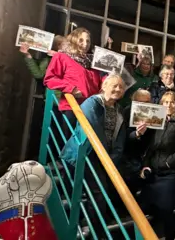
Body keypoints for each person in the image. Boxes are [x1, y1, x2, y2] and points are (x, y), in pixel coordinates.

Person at [61, 74, 126, 239]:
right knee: (97, 193)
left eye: (121, 87)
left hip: (104, 158)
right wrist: (105, 158)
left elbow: (120, 138)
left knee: (100, 193)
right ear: (104, 86)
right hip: (88, 154)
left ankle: (92, 227)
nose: (118, 89)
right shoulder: (92, 102)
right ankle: (92, 231)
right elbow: (93, 129)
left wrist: (112, 159)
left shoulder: (119, 110)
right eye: (114, 85)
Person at [139, 91, 175, 240]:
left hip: (171, 174)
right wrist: (145, 165)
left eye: (172, 102)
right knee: (148, 208)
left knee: (166, 211)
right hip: (154, 173)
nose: (168, 105)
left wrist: (168, 162)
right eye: (165, 102)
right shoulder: (156, 120)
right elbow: (149, 147)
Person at [44, 27, 102, 134]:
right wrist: (71, 89)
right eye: (81, 40)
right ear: (73, 39)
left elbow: (98, 84)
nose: (85, 44)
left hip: (91, 109)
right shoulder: (62, 57)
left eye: (88, 41)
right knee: (71, 142)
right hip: (72, 107)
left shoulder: (93, 63)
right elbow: (49, 79)